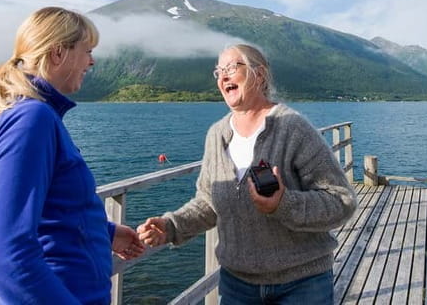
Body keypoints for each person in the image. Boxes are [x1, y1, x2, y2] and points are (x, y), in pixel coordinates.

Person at [137, 44, 357, 304]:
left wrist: (283, 204)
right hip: (236, 285)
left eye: (231, 68)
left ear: (259, 74)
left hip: (301, 284)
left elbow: (341, 201)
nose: (223, 77)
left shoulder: (292, 128)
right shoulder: (216, 135)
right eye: (218, 72)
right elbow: (209, 203)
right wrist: (171, 226)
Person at [0, 7, 144, 304]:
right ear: (58, 53)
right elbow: (8, 257)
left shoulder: (37, 116)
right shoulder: (31, 120)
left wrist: (106, 233)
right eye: (87, 50)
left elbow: (53, 213)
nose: (92, 61)